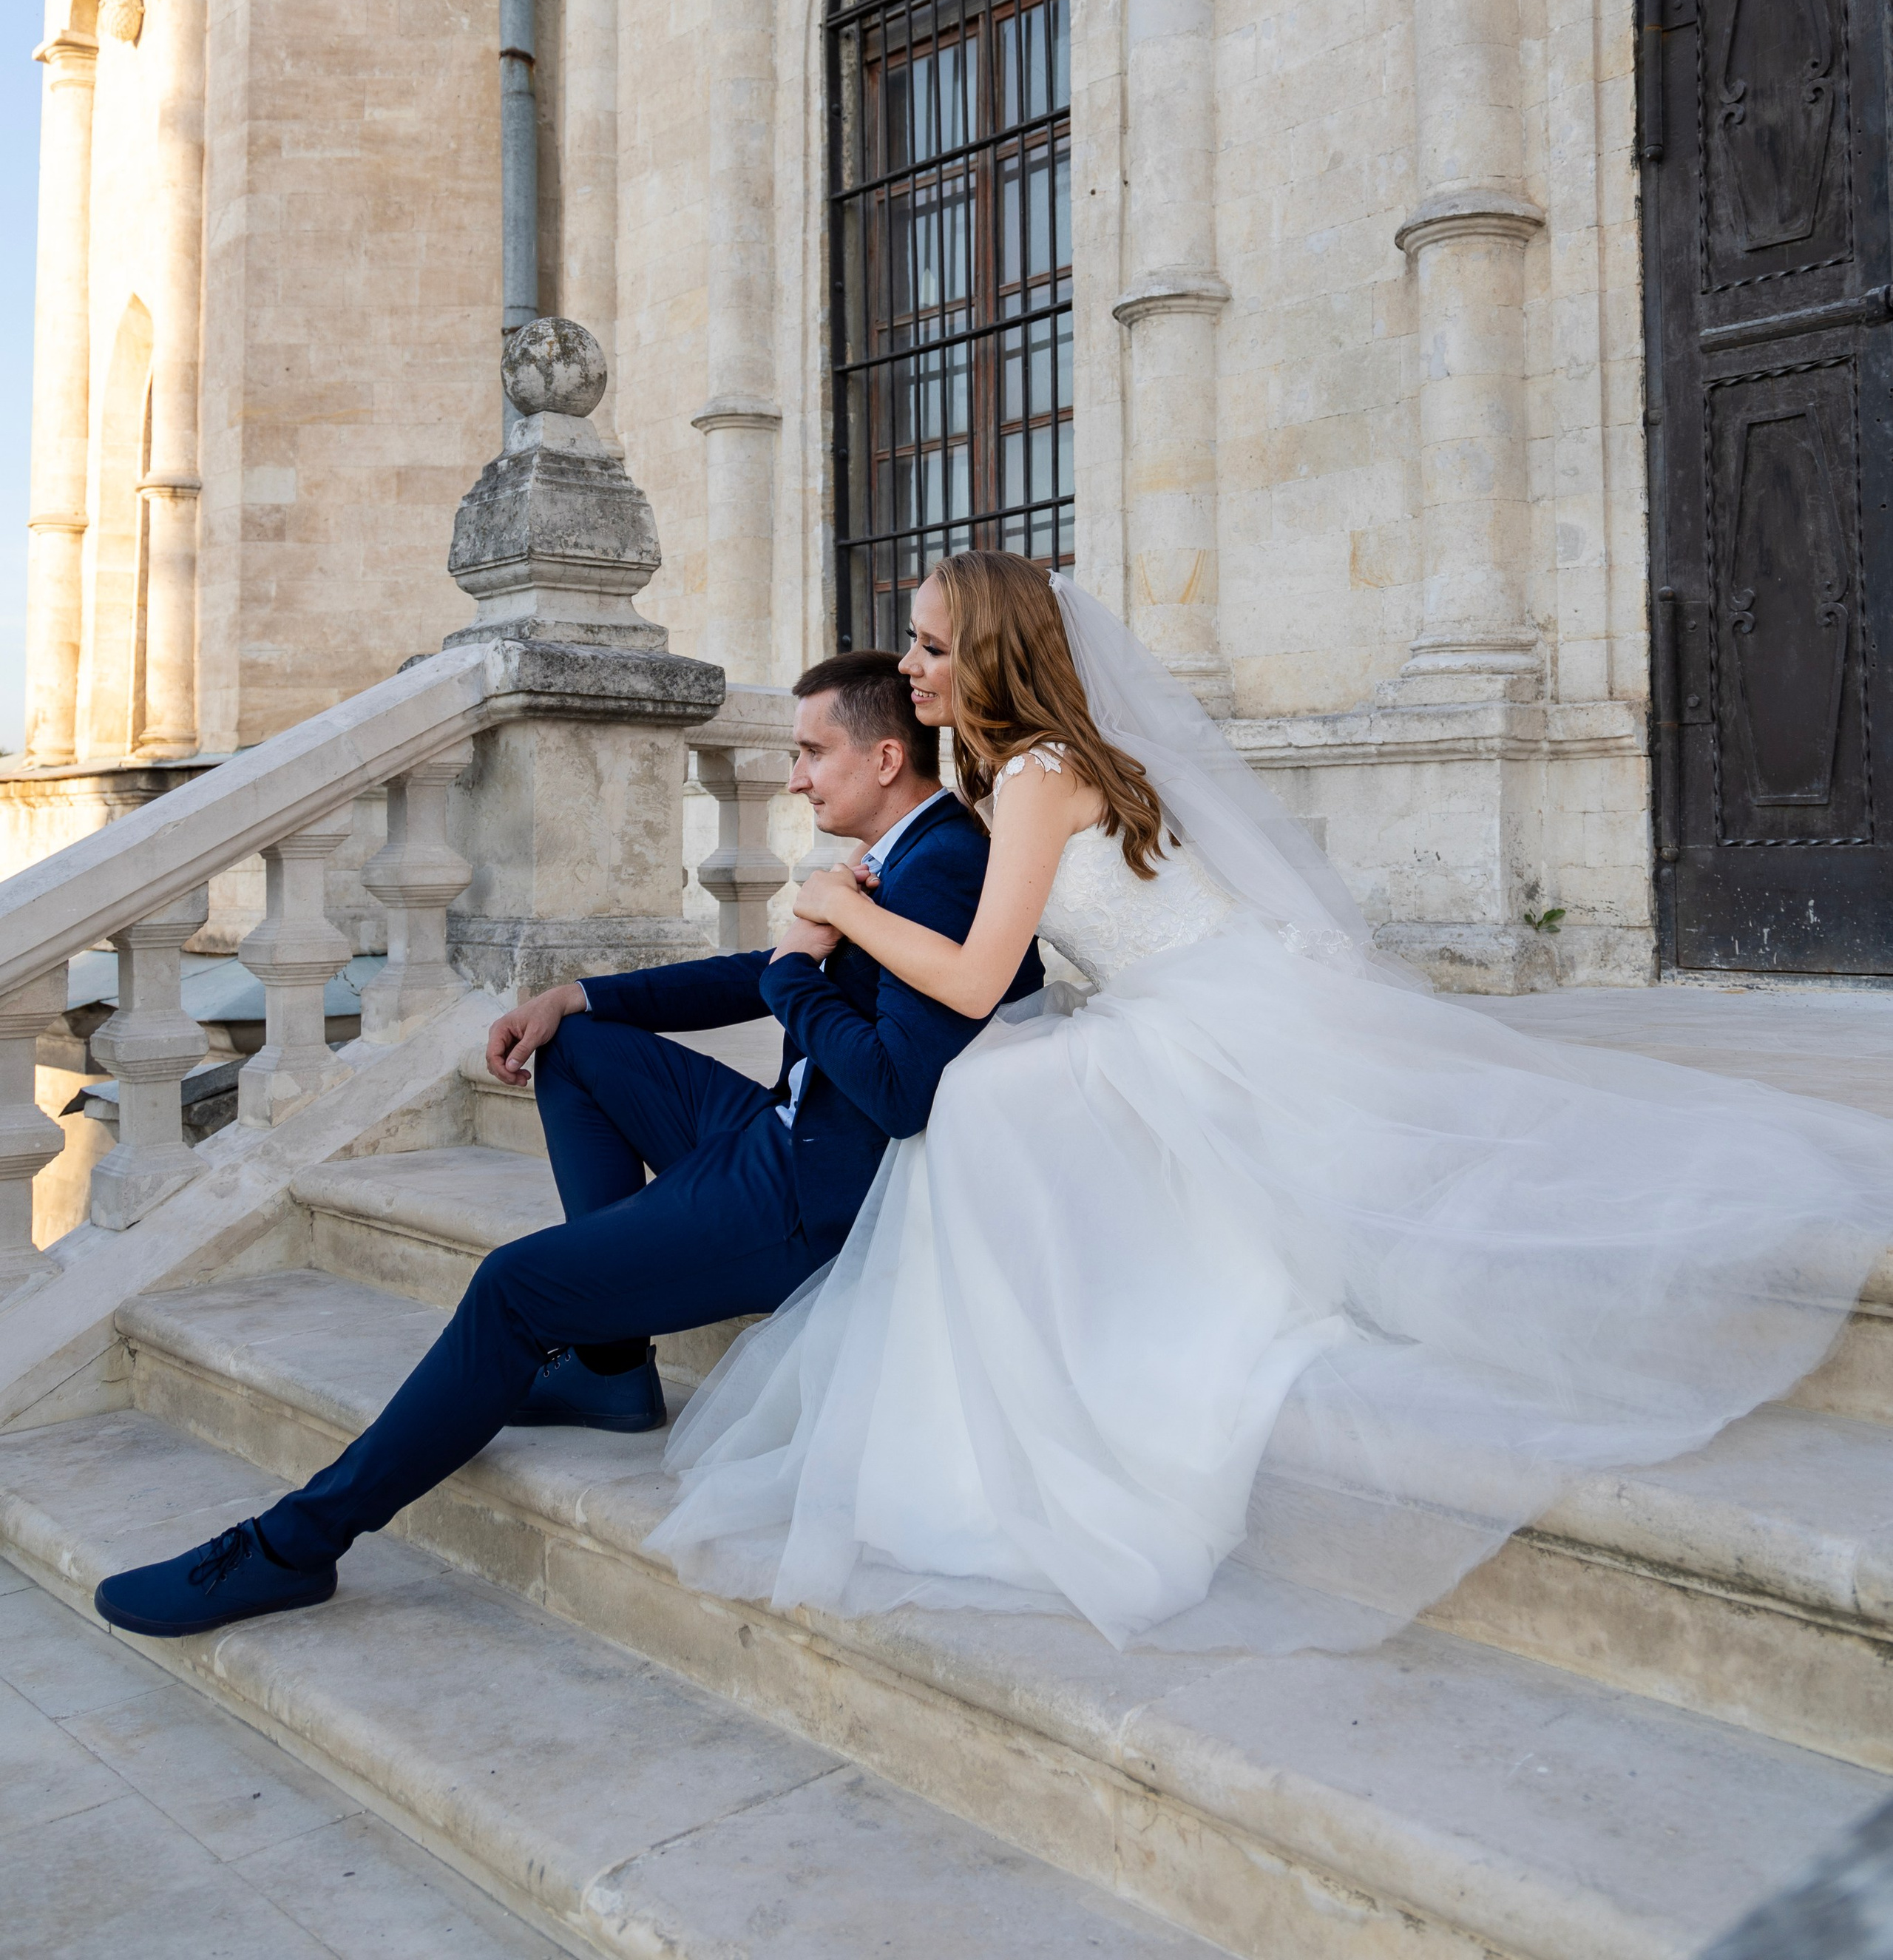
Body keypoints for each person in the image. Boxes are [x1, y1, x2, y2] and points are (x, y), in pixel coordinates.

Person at [646, 551, 1893, 1656]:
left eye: (930, 642)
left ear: (994, 655)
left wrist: (843, 912)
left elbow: (975, 978)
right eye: (914, 641)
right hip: (1204, 999)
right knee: (997, 1101)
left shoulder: (1035, 778)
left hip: (1197, 1016)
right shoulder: (1022, 773)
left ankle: (1047, 1394)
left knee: (979, 1113)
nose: (910, 663)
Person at [93, 649, 1043, 1640]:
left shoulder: (938, 871)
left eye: (812, 753)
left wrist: (796, 973)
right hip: (784, 1127)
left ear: (887, 757)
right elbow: (770, 969)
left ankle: (296, 1546)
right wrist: (577, 993)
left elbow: (895, 1090)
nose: (796, 776)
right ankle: (609, 1366)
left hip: (812, 1194)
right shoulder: (903, 850)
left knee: (513, 1287)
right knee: (578, 1044)